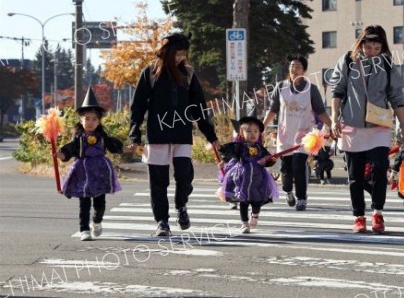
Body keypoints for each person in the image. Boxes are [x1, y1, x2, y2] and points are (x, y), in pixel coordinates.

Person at [128, 33, 219, 237]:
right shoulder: (150, 73)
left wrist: (211, 135)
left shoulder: (188, 73)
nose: (180, 58)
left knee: (185, 176)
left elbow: (199, 107)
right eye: (177, 54)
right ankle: (162, 221)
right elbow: (138, 108)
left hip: (182, 133)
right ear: (167, 52)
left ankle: (181, 206)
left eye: (183, 54)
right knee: (159, 182)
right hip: (157, 134)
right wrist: (134, 136)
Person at [330, 25, 404, 234]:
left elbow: (396, 97)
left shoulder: (388, 64)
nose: (371, 50)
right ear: (361, 44)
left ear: (382, 47)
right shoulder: (347, 61)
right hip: (351, 125)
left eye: (376, 46)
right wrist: (333, 119)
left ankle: (378, 213)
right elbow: (337, 91)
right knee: (355, 175)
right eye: (368, 46)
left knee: (380, 169)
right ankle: (358, 216)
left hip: (379, 125)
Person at [59, 87, 131, 241]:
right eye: (87, 119)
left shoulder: (103, 137)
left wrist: (128, 148)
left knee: (100, 203)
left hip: (99, 173)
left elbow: (115, 147)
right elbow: (68, 150)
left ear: (99, 121)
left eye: (94, 119)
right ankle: (84, 229)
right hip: (82, 173)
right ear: (81, 120)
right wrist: (61, 154)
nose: (90, 122)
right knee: (84, 203)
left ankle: (97, 221)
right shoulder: (78, 138)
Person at [263, 54, 332, 211]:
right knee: (286, 168)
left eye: (298, 66)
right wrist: (262, 126)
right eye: (292, 66)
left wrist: (333, 125)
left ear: (304, 71)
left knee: (299, 165)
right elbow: (273, 110)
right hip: (285, 135)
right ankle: (288, 192)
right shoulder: (281, 87)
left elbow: (320, 111)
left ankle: (302, 198)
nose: (294, 69)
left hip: (304, 135)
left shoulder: (311, 89)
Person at [218, 117, 278, 233]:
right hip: (242, 179)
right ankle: (244, 223)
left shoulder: (260, 148)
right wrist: (223, 159)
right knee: (243, 201)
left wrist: (271, 159)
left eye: (256, 131)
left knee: (257, 200)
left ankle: (255, 215)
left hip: (258, 179)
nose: (253, 134)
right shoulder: (239, 147)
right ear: (241, 132)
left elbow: (268, 161)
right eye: (249, 131)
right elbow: (230, 152)